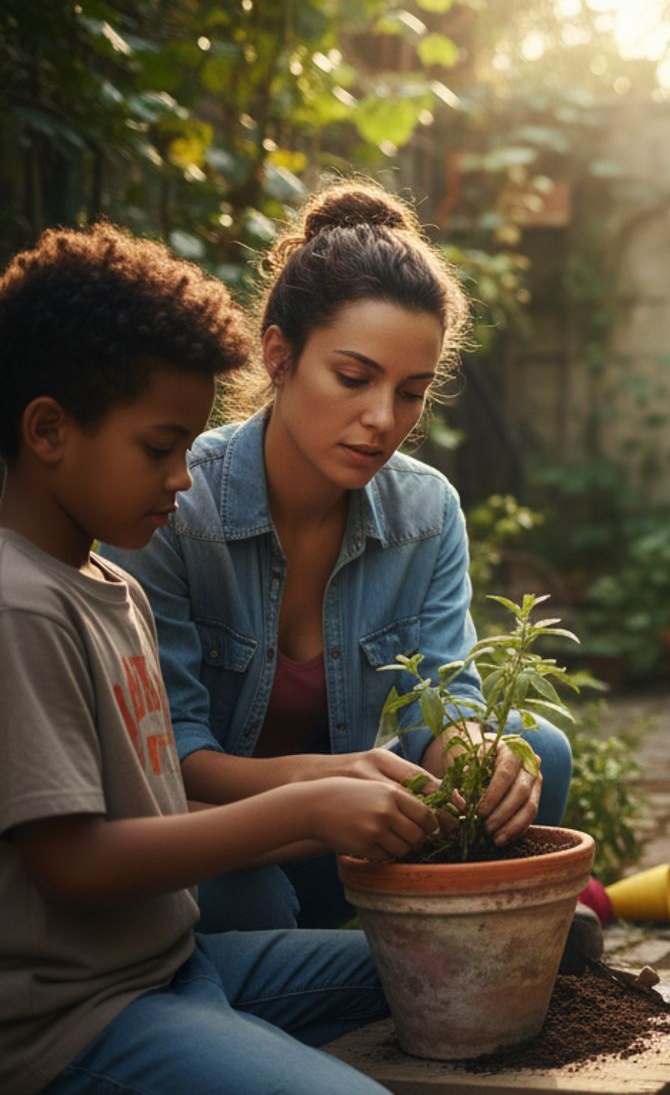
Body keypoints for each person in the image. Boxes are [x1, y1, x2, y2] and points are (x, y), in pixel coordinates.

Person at [1, 223, 433, 1094]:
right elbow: (76, 867)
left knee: (485, 963)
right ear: (48, 430)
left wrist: (332, 794)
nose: (184, 476)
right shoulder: (19, 602)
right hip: (80, 1013)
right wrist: (306, 807)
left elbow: (164, 798)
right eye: (159, 448)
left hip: (184, 963)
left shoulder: (108, 586)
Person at [102, 180, 572, 933]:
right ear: (279, 355)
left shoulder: (426, 511)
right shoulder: (176, 506)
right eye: (354, 379)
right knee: (247, 901)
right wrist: (330, 781)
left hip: (356, 835)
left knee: (533, 754)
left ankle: (458, 950)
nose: (383, 420)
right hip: (225, 837)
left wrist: (476, 748)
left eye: (412, 393)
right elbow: (175, 754)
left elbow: (443, 699)